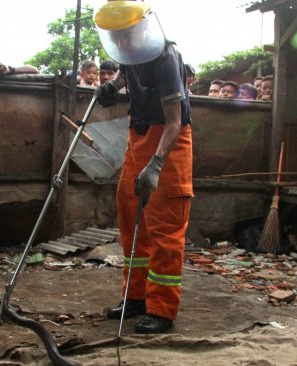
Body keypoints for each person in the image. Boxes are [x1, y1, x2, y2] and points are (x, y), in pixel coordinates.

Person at [95, 0, 193, 334]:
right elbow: (127, 68)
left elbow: (175, 122)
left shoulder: (166, 58)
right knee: (129, 212)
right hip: (136, 136)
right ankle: (135, 297)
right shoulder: (129, 52)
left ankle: (162, 310)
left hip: (168, 140)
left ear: (142, 28)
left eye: (126, 35)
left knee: (164, 226)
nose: (121, 43)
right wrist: (114, 86)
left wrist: (155, 164)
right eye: (115, 38)